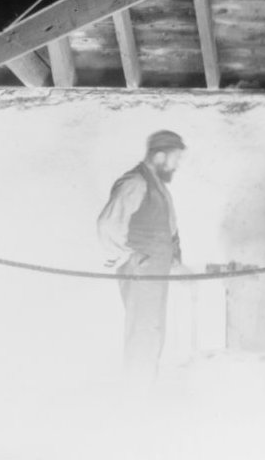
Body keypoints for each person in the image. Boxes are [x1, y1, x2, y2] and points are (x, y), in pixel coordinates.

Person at [96, 129, 185, 394]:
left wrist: (176, 261)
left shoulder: (156, 185)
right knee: (143, 331)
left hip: (156, 272)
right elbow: (107, 224)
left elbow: (167, 229)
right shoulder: (136, 182)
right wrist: (131, 258)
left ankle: (145, 389)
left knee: (153, 330)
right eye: (175, 158)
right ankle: (136, 394)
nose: (178, 165)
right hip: (141, 272)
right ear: (159, 156)